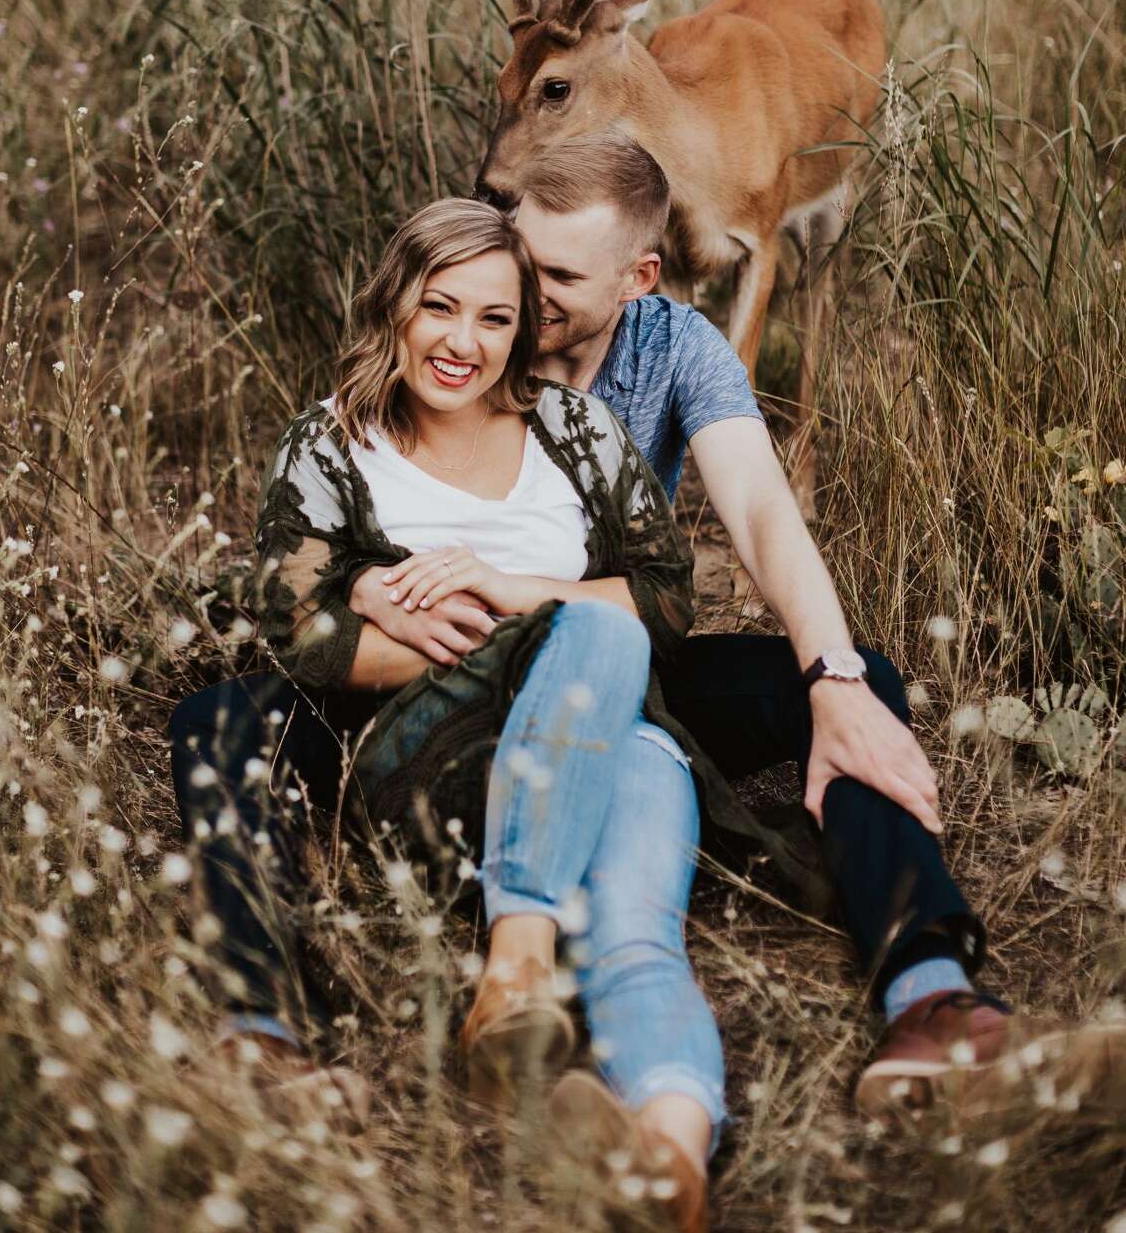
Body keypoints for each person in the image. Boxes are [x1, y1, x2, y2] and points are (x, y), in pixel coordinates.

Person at [171, 138, 1121, 1156]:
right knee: (225, 720)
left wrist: (833, 677)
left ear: (640, 277)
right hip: (422, 686)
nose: (514, 305)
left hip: (605, 656)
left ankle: (931, 1002)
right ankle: (262, 1027)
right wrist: (361, 583)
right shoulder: (435, 345)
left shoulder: (653, 365)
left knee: (853, 685)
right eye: (506, 273)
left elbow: (753, 517)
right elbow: (301, 555)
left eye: (544, 287)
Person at [228, 195, 731, 1228]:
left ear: (521, 331)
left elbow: (668, 602)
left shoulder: (576, 433)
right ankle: (515, 971)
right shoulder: (334, 444)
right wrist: (464, 635)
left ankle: (671, 1162)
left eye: (494, 319)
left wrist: (509, 590)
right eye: (440, 307)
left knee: (642, 938)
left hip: (616, 736)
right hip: (445, 748)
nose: (462, 343)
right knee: (597, 632)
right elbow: (296, 631)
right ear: (397, 302)